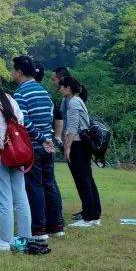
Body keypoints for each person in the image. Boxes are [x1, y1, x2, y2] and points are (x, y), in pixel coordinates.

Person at [0, 67, 46, 255]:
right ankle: (25, 235)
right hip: (18, 154)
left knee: (4, 199)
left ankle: (6, 239)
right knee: (21, 196)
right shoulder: (10, 99)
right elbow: (21, 123)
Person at [12, 56, 64, 240]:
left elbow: (23, 121)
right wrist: (47, 138)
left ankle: (39, 228)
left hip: (34, 146)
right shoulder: (44, 91)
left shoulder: (20, 93)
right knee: (50, 184)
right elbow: (50, 117)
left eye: (14, 71)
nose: (12, 74)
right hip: (47, 146)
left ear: (19, 72)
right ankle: (56, 224)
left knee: (35, 186)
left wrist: (41, 138)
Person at [59, 75, 102, 228]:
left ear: (68, 88)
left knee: (82, 181)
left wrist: (67, 147)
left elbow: (72, 127)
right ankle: (93, 214)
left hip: (78, 144)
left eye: (61, 86)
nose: (59, 89)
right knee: (87, 179)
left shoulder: (74, 102)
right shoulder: (76, 101)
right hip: (83, 144)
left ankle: (88, 217)